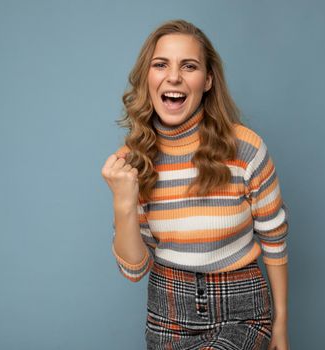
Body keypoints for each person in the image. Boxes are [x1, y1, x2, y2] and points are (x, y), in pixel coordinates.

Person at [101, 19, 290, 350]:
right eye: (161, 65)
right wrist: (123, 202)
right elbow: (134, 270)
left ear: (207, 81)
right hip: (166, 317)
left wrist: (281, 324)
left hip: (241, 313)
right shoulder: (132, 163)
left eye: (189, 66)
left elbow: (274, 240)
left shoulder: (245, 148)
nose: (173, 76)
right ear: (148, 77)